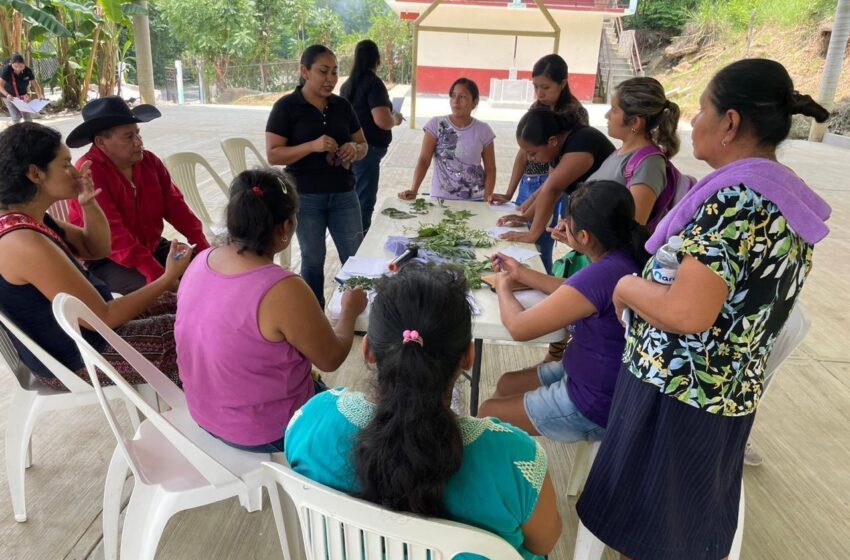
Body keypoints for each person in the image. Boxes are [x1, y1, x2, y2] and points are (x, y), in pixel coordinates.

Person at [576, 59, 831, 560]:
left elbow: (688, 312)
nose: (695, 119)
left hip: (680, 395)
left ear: (730, 123)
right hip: (721, 394)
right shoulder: (780, 193)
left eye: (704, 109)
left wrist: (627, 288)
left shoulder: (737, 201)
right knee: (668, 535)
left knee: (651, 538)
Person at [285, 265, 561, 560]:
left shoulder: (312, 422)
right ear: (468, 356)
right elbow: (543, 544)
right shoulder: (517, 459)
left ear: (367, 350)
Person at [175, 168, 367, 453]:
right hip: (265, 430)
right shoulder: (282, 288)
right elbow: (331, 358)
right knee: (367, 424)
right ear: (285, 228)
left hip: (204, 414)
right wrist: (349, 311)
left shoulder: (202, 259)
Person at [0, 123, 192, 391]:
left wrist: (88, 204)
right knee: (205, 326)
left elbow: (96, 249)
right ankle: (211, 413)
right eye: (66, 164)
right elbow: (103, 316)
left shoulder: (32, 220)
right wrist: (168, 276)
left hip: (92, 336)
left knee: (190, 302)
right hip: (79, 359)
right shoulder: (23, 242)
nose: (75, 171)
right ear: (35, 174)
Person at [477, 181, 647, 442]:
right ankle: (510, 451)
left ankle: (515, 471)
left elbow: (519, 328)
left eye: (568, 220)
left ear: (584, 237)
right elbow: (572, 289)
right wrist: (520, 273)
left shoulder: (601, 274)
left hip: (593, 402)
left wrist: (503, 287)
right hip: (588, 375)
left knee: (488, 413)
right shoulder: (621, 258)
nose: (563, 224)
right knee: (507, 384)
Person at [65, 96, 210, 295]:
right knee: (162, 295)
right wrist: (160, 276)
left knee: (206, 270)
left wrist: (203, 248)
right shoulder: (89, 172)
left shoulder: (149, 162)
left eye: (138, 134)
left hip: (151, 247)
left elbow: (176, 206)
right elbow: (115, 236)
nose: (138, 142)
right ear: (101, 142)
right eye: (128, 136)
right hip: (107, 260)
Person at [266, 44, 368, 308]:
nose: (331, 79)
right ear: (305, 71)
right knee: (312, 260)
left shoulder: (342, 106)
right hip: (306, 197)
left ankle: (357, 312)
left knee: (355, 258)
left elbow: (364, 145)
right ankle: (313, 316)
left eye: (335, 72)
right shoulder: (286, 107)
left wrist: (354, 149)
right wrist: (311, 146)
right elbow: (274, 155)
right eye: (323, 71)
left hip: (345, 195)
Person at [490, 54, 588, 273]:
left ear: (563, 83)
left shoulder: (574, 115)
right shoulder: (537, 108)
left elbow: (556, 180)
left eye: (545, 87)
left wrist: (532, 214)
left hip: (554, 185)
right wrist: (509, 193)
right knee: (519, 232)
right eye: (536, 87)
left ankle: (539, 284)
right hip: (534, 184)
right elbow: (524, 151)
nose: (540, 93)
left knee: (539, 240)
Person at [497, 108, 615, 272]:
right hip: (594, 212)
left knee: (599, 269)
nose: (530, 159)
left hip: (609, 218)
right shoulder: (558, 147)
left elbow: (553, 189)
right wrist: (525, 217)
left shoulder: (582, 142)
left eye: (532, 153)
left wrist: (532, 235)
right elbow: (547, 188)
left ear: (552, 141)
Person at [341, 39, 403, 234]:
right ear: (377, 60)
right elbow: (382, 121)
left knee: (354, 197)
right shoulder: (374, 84)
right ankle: (359, 243)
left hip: (350, 149)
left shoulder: (347, 85)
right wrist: (396, 119)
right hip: (367, 150)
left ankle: (353, 238)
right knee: (364, 201)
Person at [398, 78, 496, 201]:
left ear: (474, 102)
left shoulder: (484, 130)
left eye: (462, 97)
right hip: (441, 199)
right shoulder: (436, 125)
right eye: (453, 96)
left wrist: (487, 198)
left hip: (475, 199)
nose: (456, 101)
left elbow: (491, 169)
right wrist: (414, 189)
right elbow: (424, 160)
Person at [0, 53, 42, 124]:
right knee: (16, 117)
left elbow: (35, 84)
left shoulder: (28, 71)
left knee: (27, 116)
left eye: (21, 66)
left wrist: (39, 95)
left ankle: (29, 131)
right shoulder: (7, 70)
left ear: (24, 64)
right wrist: (7, 95)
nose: (18, 68)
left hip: (22, 96)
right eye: (15, 66)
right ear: (11, 64)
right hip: (8, 95)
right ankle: (15, 132)